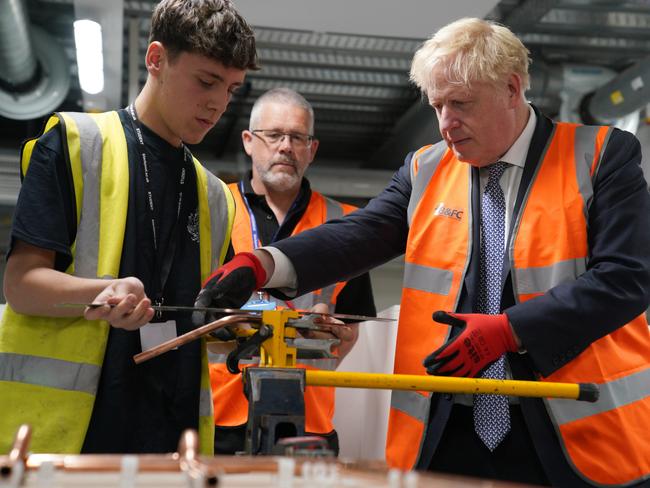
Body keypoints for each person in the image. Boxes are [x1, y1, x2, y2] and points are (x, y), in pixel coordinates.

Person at [193, 17, 650, 487]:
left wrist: (512, 331)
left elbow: (625, 280)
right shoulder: (425, 167)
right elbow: (361, 234)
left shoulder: (599, 156)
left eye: (460, 103)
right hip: (446, 433)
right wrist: (264, 263)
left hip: (578, 433)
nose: (446, 123)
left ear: (512, 88)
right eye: (436, 106)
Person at [0, 0, 257, 455]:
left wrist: (245, 330)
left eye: (232, 89)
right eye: (206, 81)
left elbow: (196, 324)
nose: (218, 103)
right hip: (67, 442)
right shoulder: (77, 143)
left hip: (173, 442)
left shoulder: (216, 196)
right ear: (156, 59)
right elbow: (21, 286)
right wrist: (101, 291)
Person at [203, 87, 376, 455]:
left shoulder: (346, 225)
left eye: (297, 137)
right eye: (274, 135)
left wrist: (335, 337)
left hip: (308, 414)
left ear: (311, 150)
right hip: (220, 414)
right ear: (249, 141)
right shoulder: (212, 211)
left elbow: (352, 329)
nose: (285, 146)